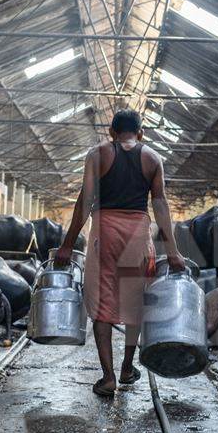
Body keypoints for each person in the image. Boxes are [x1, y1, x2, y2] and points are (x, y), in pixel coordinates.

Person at [55, 108, 186, 397]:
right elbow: (161, 205)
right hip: (139, 234)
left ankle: (108, 377)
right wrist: (173, 252)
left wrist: (67, 244)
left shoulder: (98, 153)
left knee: (102, 304)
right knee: (134, 301)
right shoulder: (153, 158)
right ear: (140, 133)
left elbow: (85, 202)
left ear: (111, 132)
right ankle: (128, 367)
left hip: (105, 231)